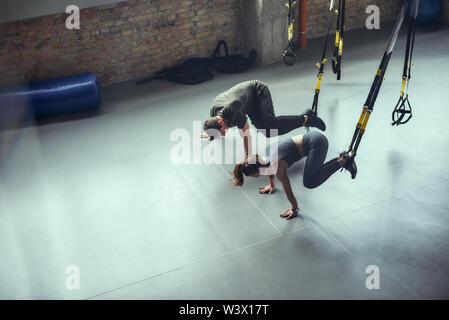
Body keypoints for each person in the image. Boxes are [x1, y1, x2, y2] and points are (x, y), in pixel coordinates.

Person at [231, 131, 357, 220]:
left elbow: (289, 192)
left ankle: (344, 160)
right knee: (310, 177)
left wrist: (294, 209)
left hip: (318, 143)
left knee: (309, 182)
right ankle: (342, 159)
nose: (257, 177)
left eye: (254, 176)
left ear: (257, 170)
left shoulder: (277, 166)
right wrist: (271, 185)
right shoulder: (262, 156)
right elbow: (267, 170)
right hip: (312, 139)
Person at [201, 80, 326, 158]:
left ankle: (307, 118)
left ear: (221, 121)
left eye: (221, 131)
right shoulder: (214, 112)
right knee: (267, 132)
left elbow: (246, 134)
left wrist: (248, 156)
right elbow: (213, 126)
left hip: (257, 91)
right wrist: (211, 135)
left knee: (270, 123)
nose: (223, 134)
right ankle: (305, 119)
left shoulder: (233, 111)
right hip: (247, 104)